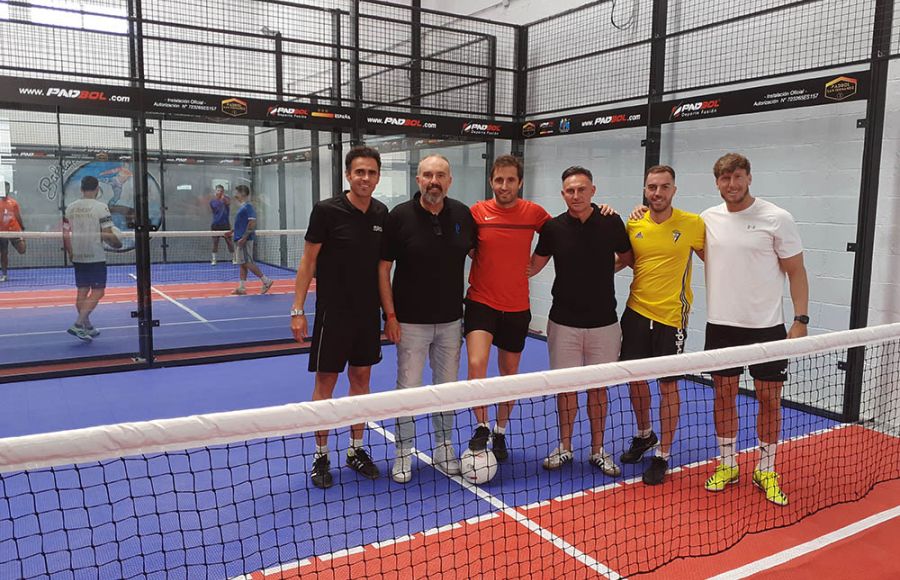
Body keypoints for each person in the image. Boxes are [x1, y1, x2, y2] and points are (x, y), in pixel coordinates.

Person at [702, 153, 809, 506]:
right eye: (724, 179)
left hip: (767, 329)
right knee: (723, 396)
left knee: (769, 400)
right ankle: (728, 463)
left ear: (749, 178)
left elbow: (796, 271)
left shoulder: (777, 218)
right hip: (720, 327)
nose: (731, 185)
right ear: (716, 183)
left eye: (737, 177)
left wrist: (800, 319)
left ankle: (766, 467)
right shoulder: (706, 220)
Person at [291, 146, 389, 489]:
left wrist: (388, 314)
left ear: (378, 176)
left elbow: (381, 268)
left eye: (371, 172)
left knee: (361, 380)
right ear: (349, 175)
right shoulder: (326, 211)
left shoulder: (381, 212)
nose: (365, 178)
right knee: (326, 384)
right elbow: (307, 262)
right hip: (332, 314)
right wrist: (298, 310)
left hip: (367, 315)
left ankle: (356, 449)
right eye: (359, 172)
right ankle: (320, 455)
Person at [529, 166, 633, 476]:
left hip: (605, 323)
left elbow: (628, 258)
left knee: (598, 389)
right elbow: (532, 267)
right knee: (566, 389)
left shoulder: (611, 221)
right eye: (570, 191)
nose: (576, 195)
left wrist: (602, 270)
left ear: (593, 190)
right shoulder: (552, 228)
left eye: (582, 189)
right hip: (563, 323)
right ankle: (565, 446)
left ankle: (598, 449)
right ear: (563, 194)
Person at [379, 154, 476, 483]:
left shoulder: (463, 214)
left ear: (449, 181)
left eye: (440, 175)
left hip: (451, 322)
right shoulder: (399, 217)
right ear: (418, 180)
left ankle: (443, 447)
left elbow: (483, 254)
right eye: (427, 175)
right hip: (410, 323)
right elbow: (383, 269)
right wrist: (390, 315)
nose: (434, 181)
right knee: (408, 389)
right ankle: (403, 452)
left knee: (446, 388)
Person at [618, 165, 705, 485]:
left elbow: (717, 259)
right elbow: (624, 261)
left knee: (668, 386)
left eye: (664, 187)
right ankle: (644, 435)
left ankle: (663, 455)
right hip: (635, 312)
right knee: (634, 379)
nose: (657, 193)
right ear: (645, 189)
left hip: (671, 317)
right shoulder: (634, 222)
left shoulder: (693, 224)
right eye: (652, 187)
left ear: (674, 190)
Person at [465, 155, 551, 461]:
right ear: (491, 181)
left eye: (510, 180)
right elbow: (463, 241)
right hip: (480, 302)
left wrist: (536, 265)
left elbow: (559, 233)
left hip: (517, 307)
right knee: (477, 364)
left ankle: (500, 431)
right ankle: (481, 426)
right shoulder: (476, 212)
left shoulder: (533, 213)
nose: (504, 186)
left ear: (520, 182)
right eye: (499, 180)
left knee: (508, 375)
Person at [62, 176, 121, 342]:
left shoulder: (70, 208)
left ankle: (87, 327)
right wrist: (118, 243)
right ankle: (78, 324)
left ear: (81, 189)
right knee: (98, 291)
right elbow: (108, 234)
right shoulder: (101, 207)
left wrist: (70, 252)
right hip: (95, 255)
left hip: (78, 255)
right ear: (97, 189)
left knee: (82, 291)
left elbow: (65, 234)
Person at [229, 185, 273, 295]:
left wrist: (244, 237)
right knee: (242, 264)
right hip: (238, 238)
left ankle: (266, 281)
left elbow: (252, 223)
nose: (235, 194)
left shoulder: (248, 207)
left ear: (242, 193)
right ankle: (242, 288)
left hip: (244, 240)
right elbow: (243, 224)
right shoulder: (242, 207)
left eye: (237, 192)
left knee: (247, 262)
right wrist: (233, 231)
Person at [0, 180, 26, 283]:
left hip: (14, 230)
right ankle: (5, 275)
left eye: (7, 188)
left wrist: (22, 228)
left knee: (22, 250)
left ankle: (23, 240)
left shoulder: (13, 203)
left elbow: (17, 216)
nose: (5, 190)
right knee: (4, 253)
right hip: (2, 232)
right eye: (4, 188)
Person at [209, 184, 234, 265]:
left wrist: (224, 199)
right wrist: (221, 200)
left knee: (229, 242)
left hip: (225, 224)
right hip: (216, 225)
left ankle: (234, 258)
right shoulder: (212, 201)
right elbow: (215, 208)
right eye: (218, 190)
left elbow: (228, 203)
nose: (219, 192)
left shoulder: (227, 199)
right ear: (215, 191)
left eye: (221, 190)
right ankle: (214, 259)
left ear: (223, 191)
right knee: (215, 242)